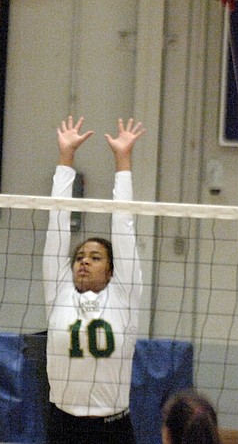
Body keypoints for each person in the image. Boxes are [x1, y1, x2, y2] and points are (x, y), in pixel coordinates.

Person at [43, 116, 146, 444]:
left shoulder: (124, 295)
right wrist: (65, 158)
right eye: (79, 257)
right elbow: (57, 221)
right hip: (63, 425)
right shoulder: (59, 292)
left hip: (112, 429)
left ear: (112, 270)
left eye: (95, 257)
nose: (84, 260)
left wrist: (123, 161)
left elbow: (124, 225)